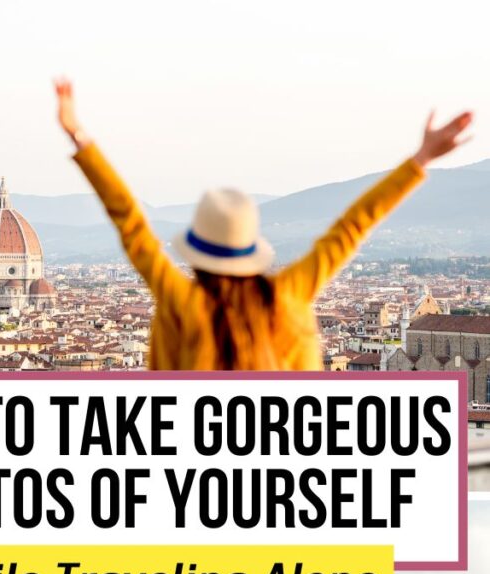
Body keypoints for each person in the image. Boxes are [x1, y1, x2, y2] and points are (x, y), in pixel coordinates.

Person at [54, 79, 473, 371]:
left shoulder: (184, 303)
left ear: (197, 255)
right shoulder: (287, 297)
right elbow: (351, 228)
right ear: (249, 250)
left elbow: (131, 224)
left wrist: (80, 138)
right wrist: (420, 160)